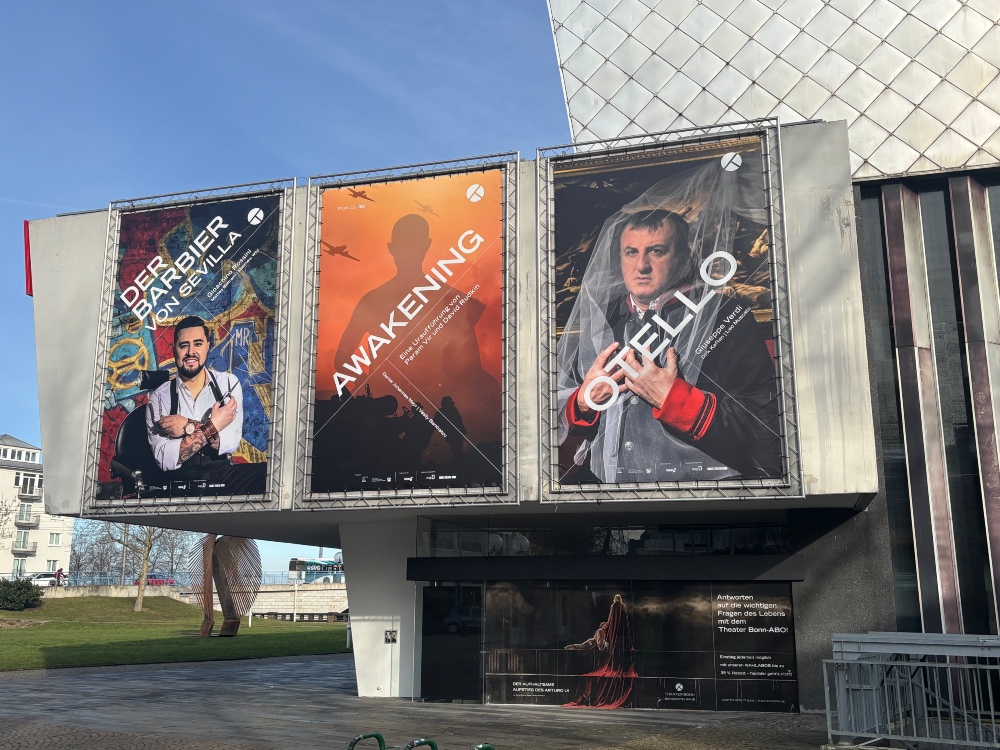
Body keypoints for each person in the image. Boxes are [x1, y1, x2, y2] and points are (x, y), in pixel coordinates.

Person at [557, 161, 782, 484]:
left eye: (657, 251)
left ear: (682, 257)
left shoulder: (724, 314)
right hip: (611, 498)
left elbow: (763, 425)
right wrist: (584, 399)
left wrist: (673, 398)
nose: (642, 265)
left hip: (702, 495)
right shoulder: (601, 321)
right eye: (631, 252)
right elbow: (557, 415)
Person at [145, 316, 266, 495]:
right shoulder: (159, 398)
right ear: (174, 350)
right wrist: (215, 425)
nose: (190, 352)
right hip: (179, 481)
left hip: (221, 474)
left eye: (198, 344)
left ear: (208, 347)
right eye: (184, 345)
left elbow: (230, 441)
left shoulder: (228, 384)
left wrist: (187, 426)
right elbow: (165, 460)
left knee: (269, 475)